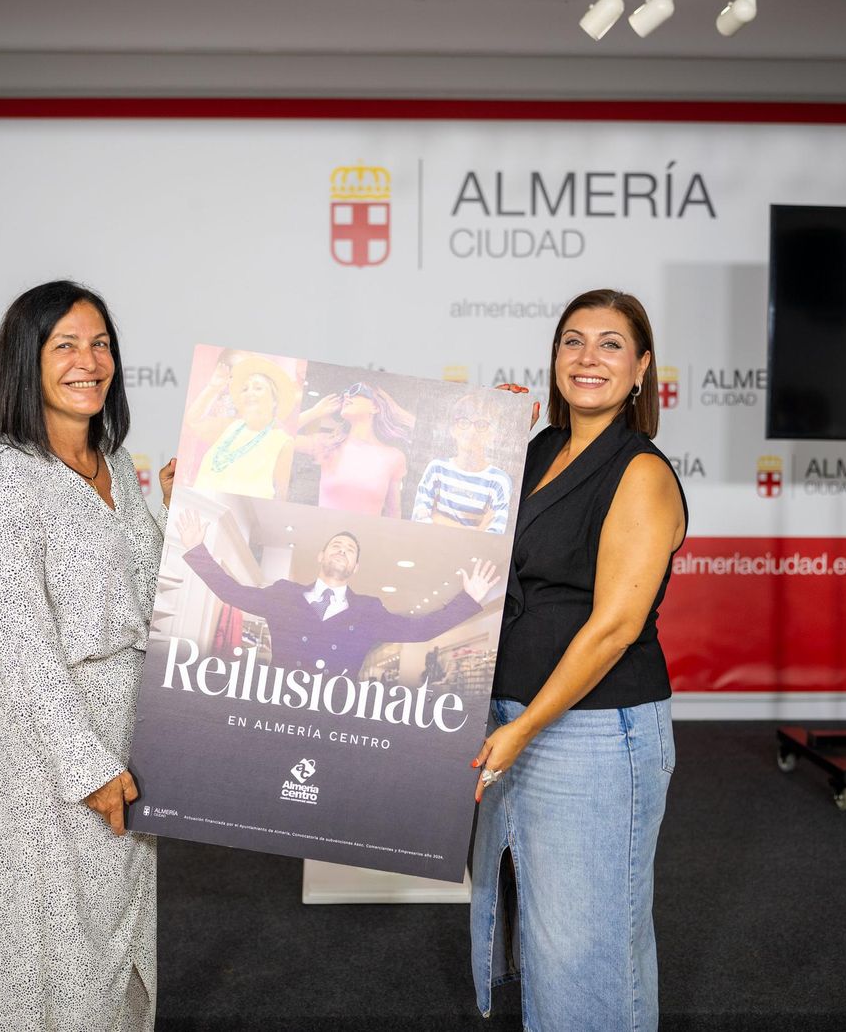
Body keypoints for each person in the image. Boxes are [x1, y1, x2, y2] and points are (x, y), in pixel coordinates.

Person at [469, 289, 689, 1032]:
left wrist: (525, 725)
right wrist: (488, 440)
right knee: (544, 934)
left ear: (641, 368)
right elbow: (464, 550)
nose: (587, 357)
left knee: (585, 948)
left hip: (594, 733)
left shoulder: (642, 473)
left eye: (610, 344)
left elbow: (614, 627)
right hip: (516, 717)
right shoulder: (533, 451)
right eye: (573, 341)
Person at [0, 280, 175, 1031]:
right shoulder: (9, 484)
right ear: (29, 361)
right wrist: (87, 769)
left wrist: (182, 517)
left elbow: (151, 602)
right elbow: (23, 648)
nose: (91, 362)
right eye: (66, 345)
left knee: (122, 923)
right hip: (58, 748)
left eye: (102, 343)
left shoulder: (116, 466)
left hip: (133, 725)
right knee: (61, 938)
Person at [174, 512, 499, 680]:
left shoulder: (369, 609)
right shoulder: (284, 594)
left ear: (355, 567)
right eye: (336, 546)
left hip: (336, 716)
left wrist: (467, 600)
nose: (342, 551)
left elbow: (420, 630)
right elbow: (231, 592)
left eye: (350, 550)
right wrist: (196, 549)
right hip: (278, 705)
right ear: (321, 556)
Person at [293, 380, 415, 517]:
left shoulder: (394, 457)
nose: (346, 396)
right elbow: (277, 435)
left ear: (375, 407)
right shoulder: (327, 445)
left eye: (355, 390)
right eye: (345, 393)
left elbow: (393, 511)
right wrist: (315, 412)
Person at [186, 354, 298, 500]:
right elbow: (193, 420)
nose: (249, 393)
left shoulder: (283, 443)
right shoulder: (231, 426)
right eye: (245, 389)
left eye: (258, 388)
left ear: (274, 400)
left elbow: (282, 495)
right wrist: (213, 388)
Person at [409, 390, 514, 533]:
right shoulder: (437, 469)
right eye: (464, 422)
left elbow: (494, 536)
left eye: (481, 425)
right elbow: (418, 520)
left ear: (492, 435)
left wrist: (438, 518)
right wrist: (476, 530)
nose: (471, 431)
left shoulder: (498, 481)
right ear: (453, 429)